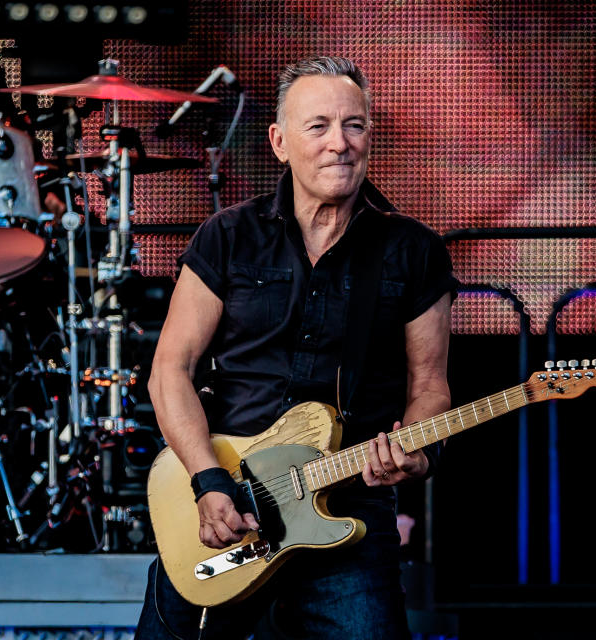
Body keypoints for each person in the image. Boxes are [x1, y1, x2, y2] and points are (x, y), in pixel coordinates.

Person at [135, 56, 458, 639]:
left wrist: (419, 453)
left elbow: (430, 387)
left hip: (348, 507)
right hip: (227, 505)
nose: (341, 143)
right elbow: (170, 371)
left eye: (355, 125)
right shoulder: (229, 236)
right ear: (280, 143)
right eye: (319, 126)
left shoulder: (415, 251)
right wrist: (208, 482)